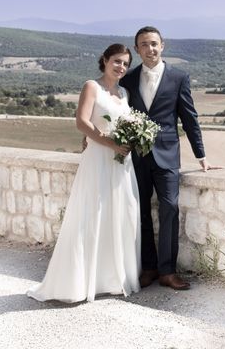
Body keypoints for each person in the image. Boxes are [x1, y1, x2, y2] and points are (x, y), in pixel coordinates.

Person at [27, 44, 140, 303]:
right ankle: (79, 282)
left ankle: (111, 278)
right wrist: (109, 143)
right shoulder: (92, 86)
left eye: (125, 63)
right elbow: (82, 121)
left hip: (121, 162)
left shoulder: (124, 92)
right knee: (92, 214)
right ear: (104, 60)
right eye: (116, 61)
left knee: (121, 214)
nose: (121, 66)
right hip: (99, 158)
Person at [120, 26, 210, 291]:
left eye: (154, 44)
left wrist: (201, 154)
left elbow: (189, 117)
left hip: (168, 155)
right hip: (137, 156)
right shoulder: (129, 79)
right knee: (142, 212)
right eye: (144, 45)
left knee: (170, 207)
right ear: (137, 50)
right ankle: (148, 268)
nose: (150, 49)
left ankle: (168, 272)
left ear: (163, 46)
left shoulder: (179, 77)